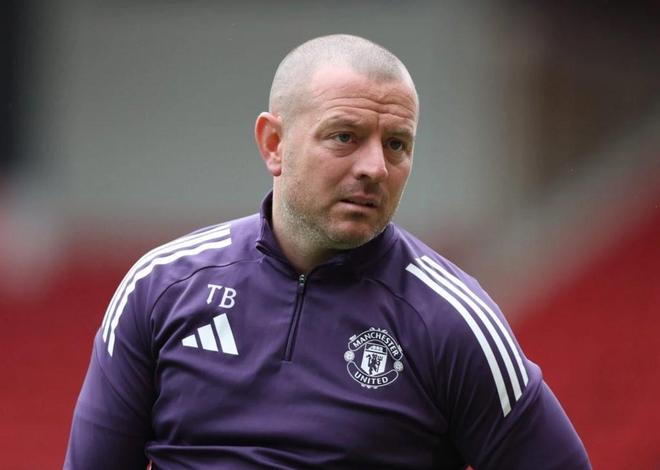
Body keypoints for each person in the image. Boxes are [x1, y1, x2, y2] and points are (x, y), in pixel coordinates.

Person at [65, 34, 591, 469]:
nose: (375, 168)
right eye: (345, 137)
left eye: (397, 144)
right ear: (274, 144)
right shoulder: (160, 288)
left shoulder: (450, 320)